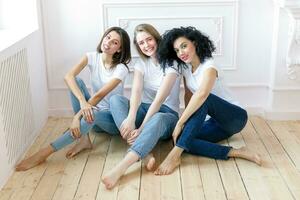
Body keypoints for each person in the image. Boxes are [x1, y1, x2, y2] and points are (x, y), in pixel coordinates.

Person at [15, 27, 131, 171]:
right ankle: (84, 139)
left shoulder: (121, 69)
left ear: (119, 49)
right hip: (91, 112)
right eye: (108, 37)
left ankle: (45, 152)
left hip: (110, 121)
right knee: (76, 81)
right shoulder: (92, 56)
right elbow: (68, 76)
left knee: (91, 114)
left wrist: (76, 117)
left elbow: (99, 95)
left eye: (114, 42)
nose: (108, 42)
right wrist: (83, 102)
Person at [154, 26, 261, 175]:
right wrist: (185, 123)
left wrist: (180, 122)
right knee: (183, 139)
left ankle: (174, 156)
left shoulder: (210, 66)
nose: (181, 53)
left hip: (234, 117)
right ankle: (235, 152)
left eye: (184, 46)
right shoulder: (186, 68)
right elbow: (189, 96)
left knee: (203, 100)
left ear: (195, 43)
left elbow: (202, 95)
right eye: (177, 50)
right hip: (215, 123)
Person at [101, 24, 181, 189]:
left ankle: (122, 167)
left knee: (157, 117)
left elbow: (159, 100)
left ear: (156, 38)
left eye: (149, 39)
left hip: (167, 114)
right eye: (141, 43)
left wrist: (142, 127)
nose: (146, 45)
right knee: (116, 100)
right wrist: (131, 118)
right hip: (144, 108)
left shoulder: (172, 62)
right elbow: (136, 92)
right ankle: (144, 154)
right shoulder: (140, 64)